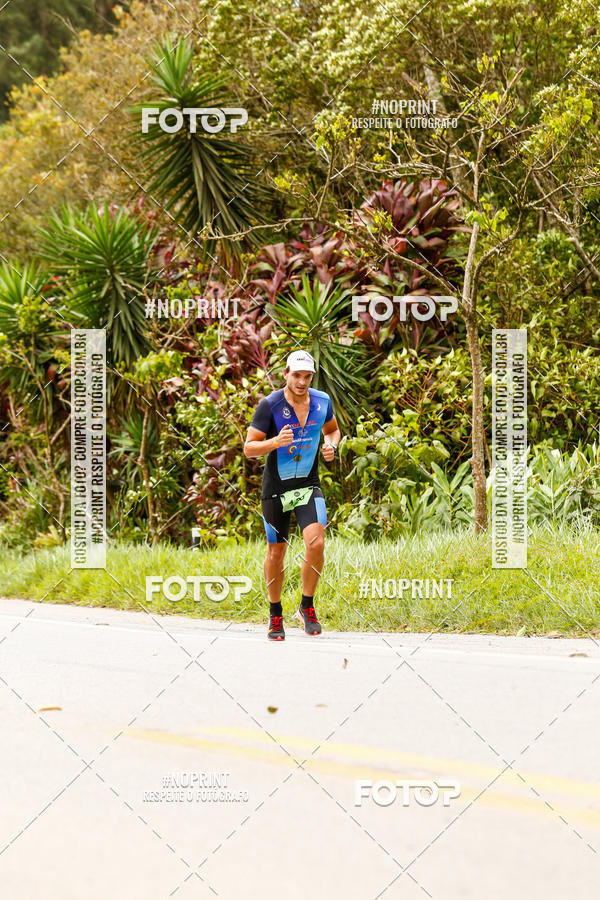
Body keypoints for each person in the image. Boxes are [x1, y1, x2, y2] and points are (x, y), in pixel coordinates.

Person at [243, 350, 341, 640]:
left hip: (308, 484)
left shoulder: (322, 401)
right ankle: (275, 614)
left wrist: (331, 446)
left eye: (307, 376)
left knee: (317, 541)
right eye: (296, 375)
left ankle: (306, 606)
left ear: (312, 377)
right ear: (285, 374)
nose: (301, 381)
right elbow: (249, 448)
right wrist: (275, 442)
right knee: (276, 552)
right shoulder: (269, 405)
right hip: (276, 488)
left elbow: (333, 431)